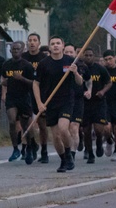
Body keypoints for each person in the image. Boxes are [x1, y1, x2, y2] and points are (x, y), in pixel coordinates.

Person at [32, 36, 83, 173]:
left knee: (63, 128)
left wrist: (75, 72)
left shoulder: (70, 61)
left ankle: (69, 154)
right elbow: (36, 84)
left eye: (58, 43)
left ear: (62, 46)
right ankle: (63, 160)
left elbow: (79, 82)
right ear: (49, 47)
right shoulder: (43, 64)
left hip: (66, 100)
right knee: (55, 136)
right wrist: (39, 103)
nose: (55, 46)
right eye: (52, 44)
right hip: (50, 102)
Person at [0, 41, 35, 162]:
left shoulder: (27, 65)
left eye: (17, 49)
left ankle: (29, 147)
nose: (15, 51)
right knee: (12, 121)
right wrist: (4, 85)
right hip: (11, 97)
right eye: (13, 49)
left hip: (24, 97)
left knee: (25, 125)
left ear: (22, 51)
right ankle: (15, 149)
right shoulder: (6, 65)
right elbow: (3, 79)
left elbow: (33, 83)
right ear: (10, 51)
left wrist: (22, 78)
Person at [22, 34, 50, 164]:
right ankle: (31, 144)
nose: (32, 43)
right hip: (26, 93)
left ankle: (44, 151)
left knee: (42, 124)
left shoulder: (44, 59)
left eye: (35, 40)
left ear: (39, 43)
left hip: (41, 93)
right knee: (27, 122)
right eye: (30, 40)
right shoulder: (23, 58)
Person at [80, 48, 110, 164]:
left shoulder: (100, 69)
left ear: (94, 56)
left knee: (98, 129)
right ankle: (89, 153)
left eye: (90, 55)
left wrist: (103, 91)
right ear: (83, 56)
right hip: (85, 103)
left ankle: (98, 142)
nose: (88, 57)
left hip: (98, 102)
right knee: (86, 131)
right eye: (86, 55)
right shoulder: (81, 69)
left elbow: (109, 82)